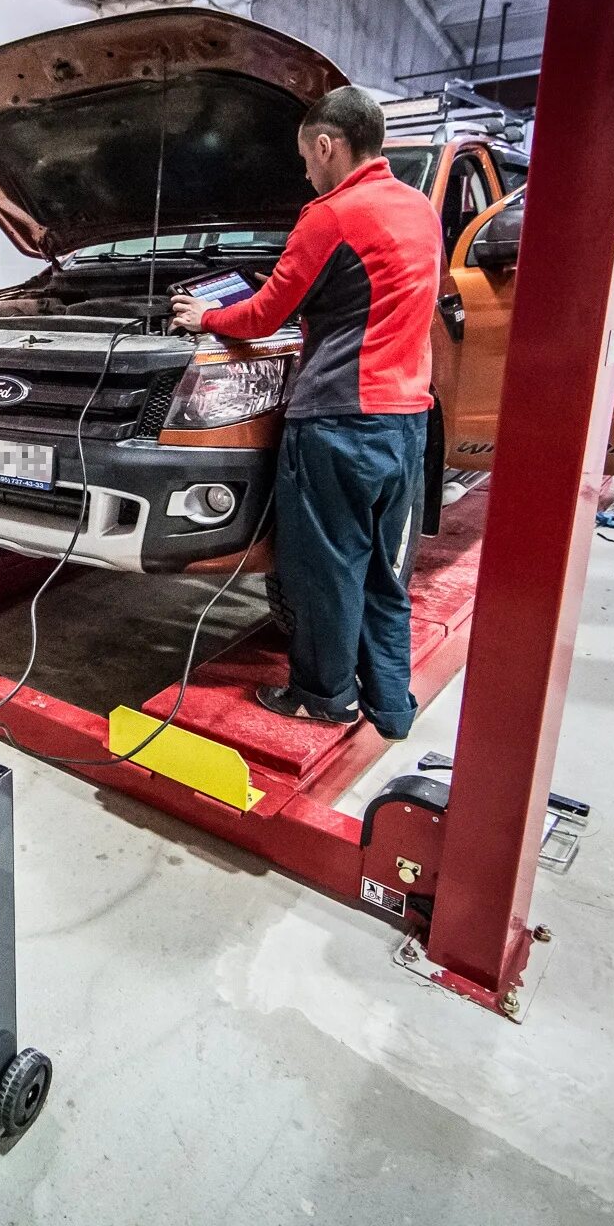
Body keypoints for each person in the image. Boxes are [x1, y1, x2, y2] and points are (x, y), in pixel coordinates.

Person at [170, 85, 441, 739]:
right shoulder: (417, 207)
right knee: (385, 567)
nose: (305, 173)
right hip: (406, 420)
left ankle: (322, 697)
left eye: (306, 159)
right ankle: (390, 702)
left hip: (339, 421)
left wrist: (203, 315)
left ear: (328, 144)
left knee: (327, 569)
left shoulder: (332, 214)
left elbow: (266, 314)